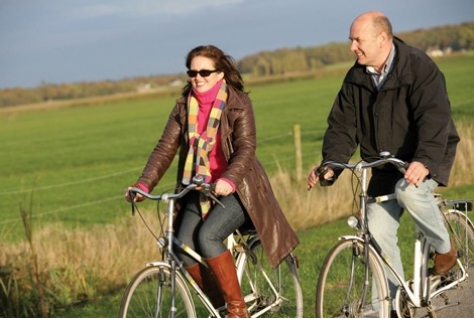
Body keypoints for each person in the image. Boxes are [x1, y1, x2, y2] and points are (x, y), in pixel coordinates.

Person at [125, 44, 299, 318]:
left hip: (240, 188)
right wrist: (144, 184)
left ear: (220, 73)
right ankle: (221, 306)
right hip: (200, 187)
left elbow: (246, 147)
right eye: (192, 72)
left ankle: (237, 310)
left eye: (205, 71)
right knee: (180, 248)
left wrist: (229, 179)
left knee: (208, 237)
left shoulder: (238, 102)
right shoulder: (183, 106)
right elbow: (165, 148)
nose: (198, 77)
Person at [307, 11, 460, 314]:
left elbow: (434, 117)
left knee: (409, 191)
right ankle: (392, 306)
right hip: (385, 163)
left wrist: (424, 160)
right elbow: (342, 127)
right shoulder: (356, 77)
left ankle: (445, 250)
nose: (352, 47)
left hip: (428, 154)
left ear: (382, 39)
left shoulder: (419, 67)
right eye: (351, 40)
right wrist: (331, 165)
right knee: (375, 230)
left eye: (357, 40)